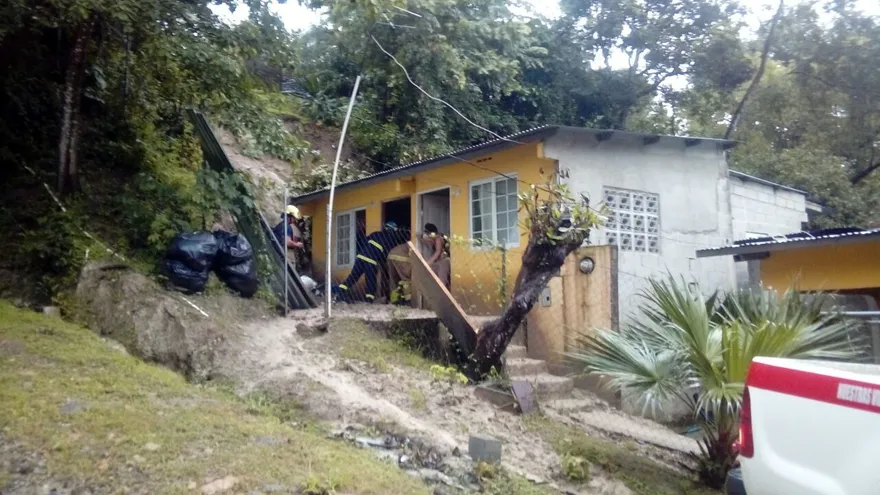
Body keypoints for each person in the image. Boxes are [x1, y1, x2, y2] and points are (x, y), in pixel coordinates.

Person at [334, 221, 408, 302]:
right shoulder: (391, 239)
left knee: (352, 277)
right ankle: (369, 300)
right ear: (394, 230)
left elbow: (363, 242)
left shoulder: (375, 234)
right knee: (371, 281)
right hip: (371, 260)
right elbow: (386, 254)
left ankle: (339, 293)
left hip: (360, 257)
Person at [419, 223, 450, 288]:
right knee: (431, 272)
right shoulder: (435, 238)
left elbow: (438, 252)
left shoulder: (439, 238)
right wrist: (420, 237)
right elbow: (427, 242)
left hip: (445, 261)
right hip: (439, 261)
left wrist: (427, 263)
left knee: (442, 279)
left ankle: (443, 295)